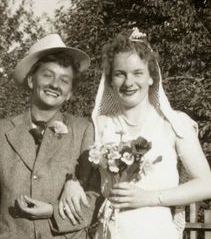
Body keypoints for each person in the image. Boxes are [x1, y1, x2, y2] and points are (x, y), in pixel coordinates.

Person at [60, 28, 211, 239]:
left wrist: (150, 198)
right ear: (110, 81)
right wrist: (72, 181)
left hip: (155, 230)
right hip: (108, 231)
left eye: (137, 73)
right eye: (120, 74)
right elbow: (80, 170)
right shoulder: (99, 125)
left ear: (151, 78)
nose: (129, 83)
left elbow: (207, 184)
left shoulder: (174, 124)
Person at [0, 34, 101, 239]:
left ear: (70, 92)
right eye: (47, 75)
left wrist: (53, 211)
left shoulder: (84, 130)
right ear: (31, 80)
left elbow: (94, 197)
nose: (55, 84)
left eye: (64, 80)